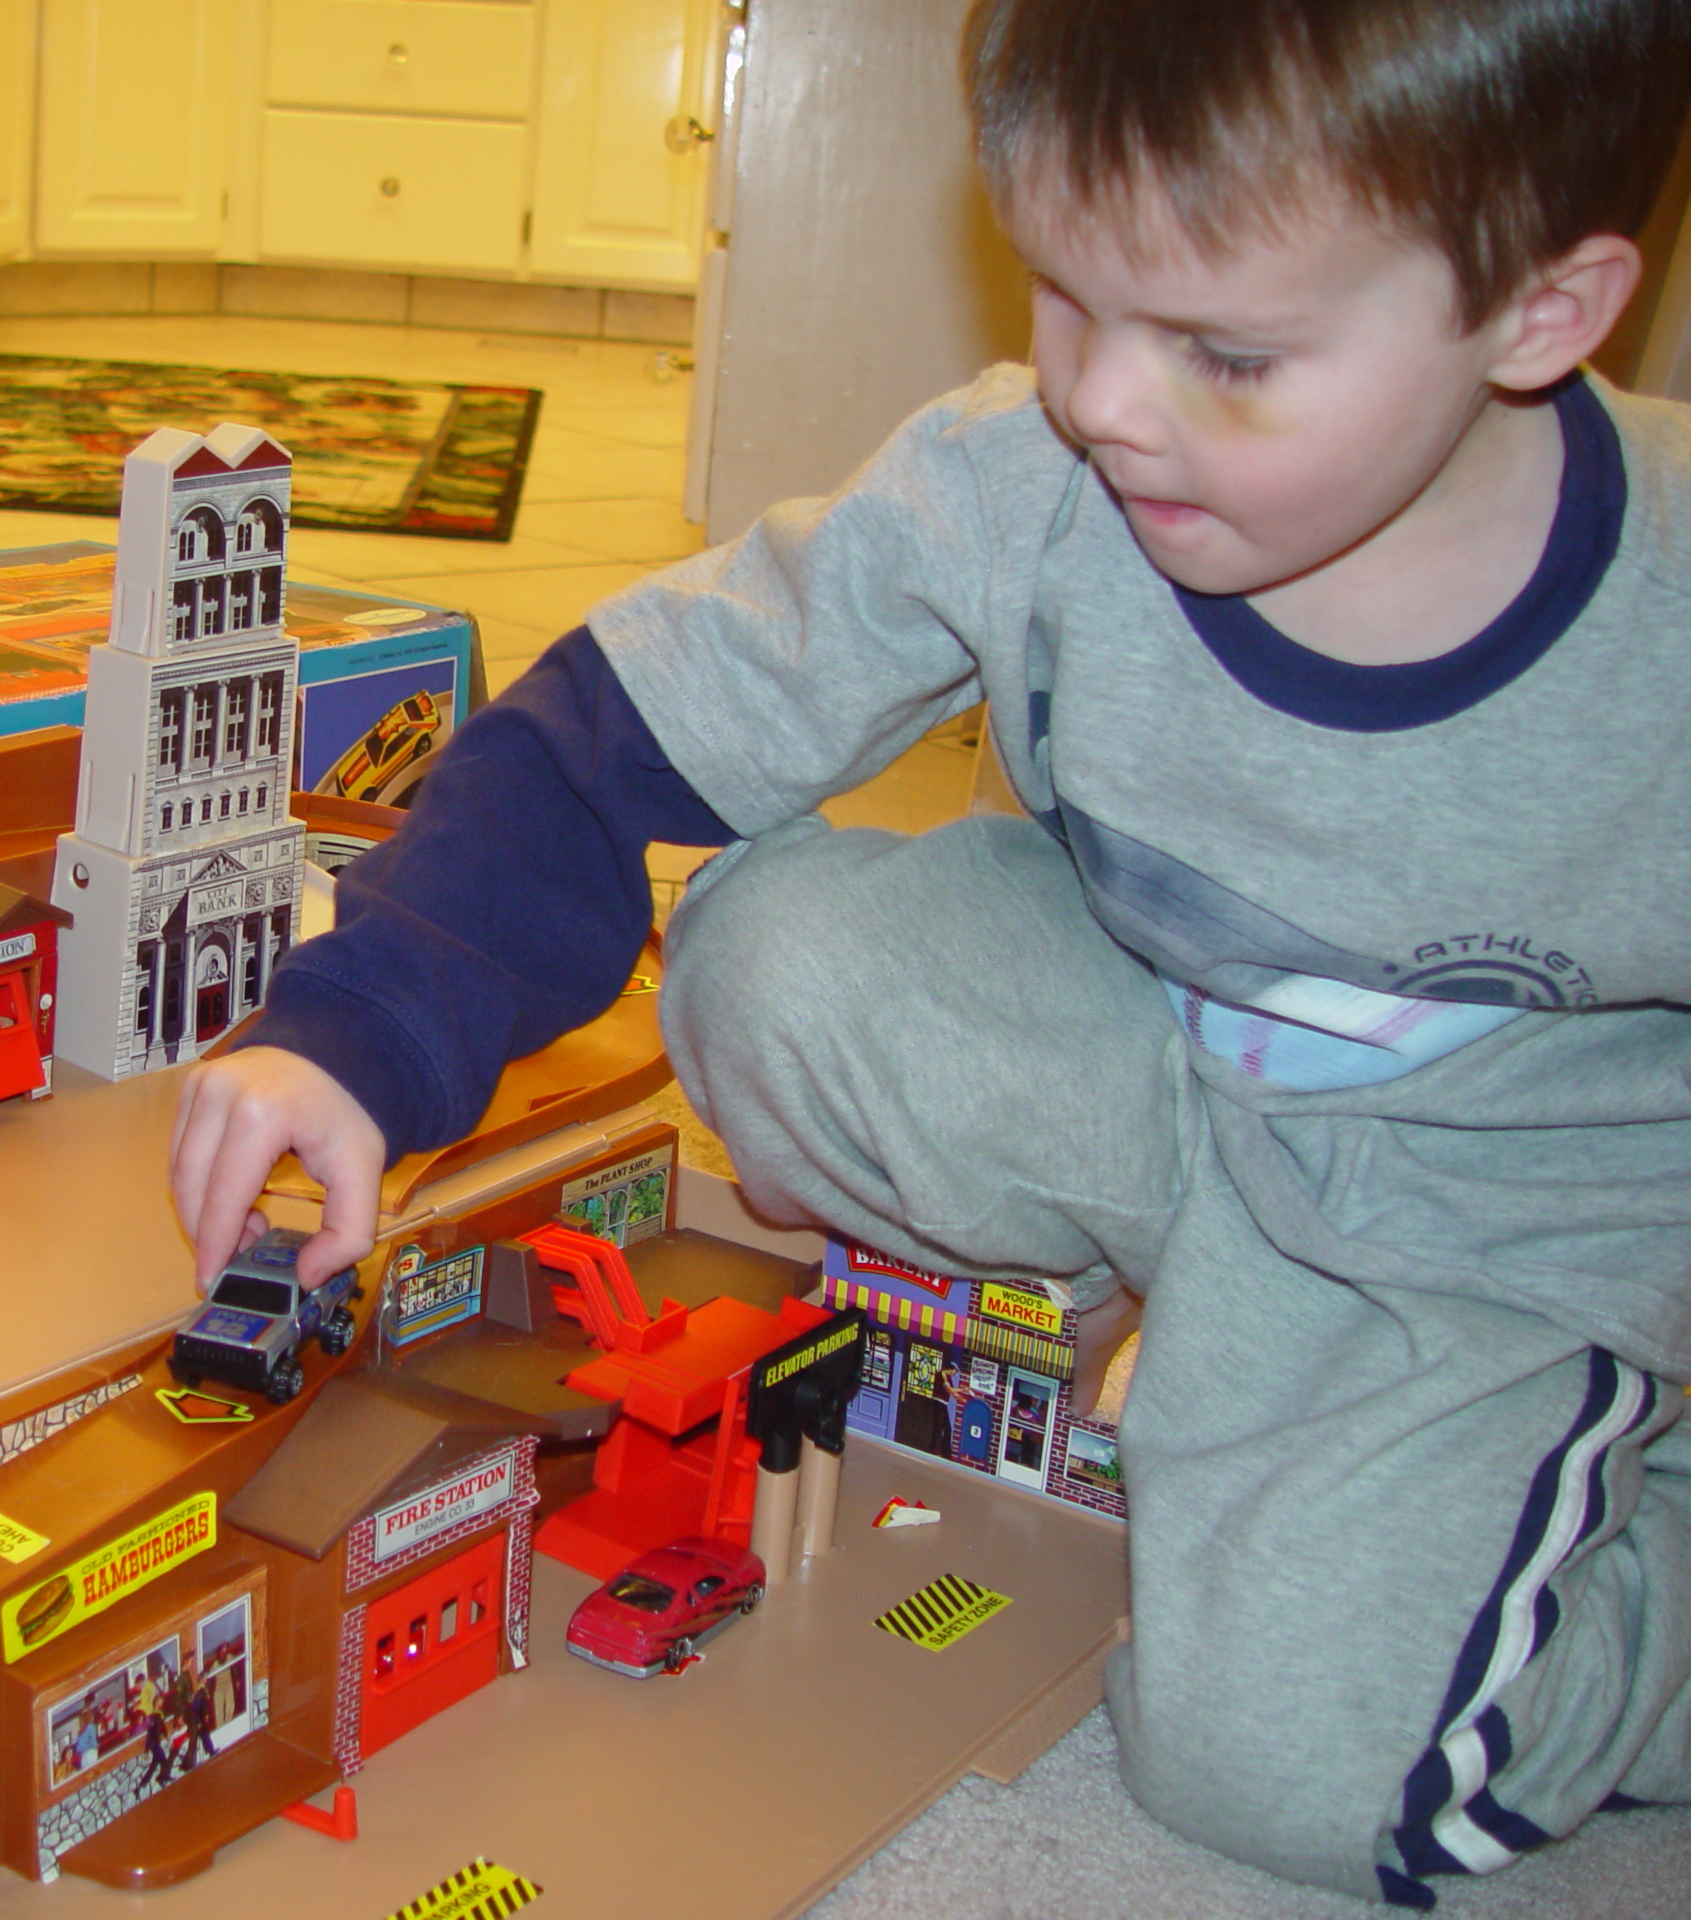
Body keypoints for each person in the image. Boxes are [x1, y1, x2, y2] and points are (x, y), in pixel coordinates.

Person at [168, 0, 1691, 1904]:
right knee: (764, 954)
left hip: (1488, 1210)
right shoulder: (1032, 477)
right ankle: (1209, 1334)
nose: (1108, 401)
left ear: (1544, 314)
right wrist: (358, 1029)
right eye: (1066, 296)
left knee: (1293, 1777)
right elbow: (613, 730)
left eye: (1224, 352)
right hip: (1150, 1048)